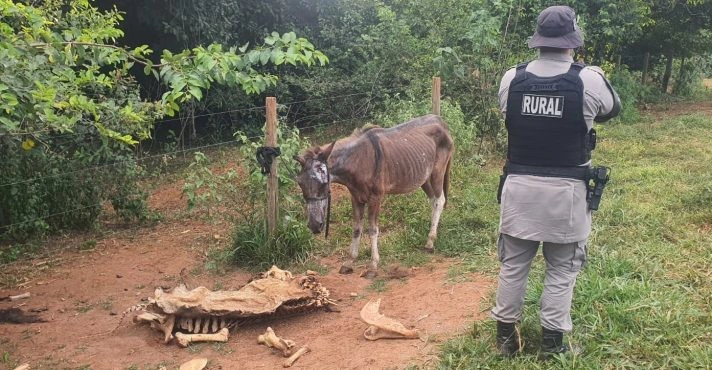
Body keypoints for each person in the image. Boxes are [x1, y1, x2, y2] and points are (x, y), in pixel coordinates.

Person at [492, 5, 621, 358]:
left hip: (518, 189)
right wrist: (593, 73)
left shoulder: (511, 79)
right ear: (572, 40)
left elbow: (511, 115)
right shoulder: (588, 80)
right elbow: (612, 110)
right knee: (562, 268)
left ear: (539, 40)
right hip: (567, 193)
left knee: (513, 265)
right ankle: (553, 345)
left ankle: (505, 339)